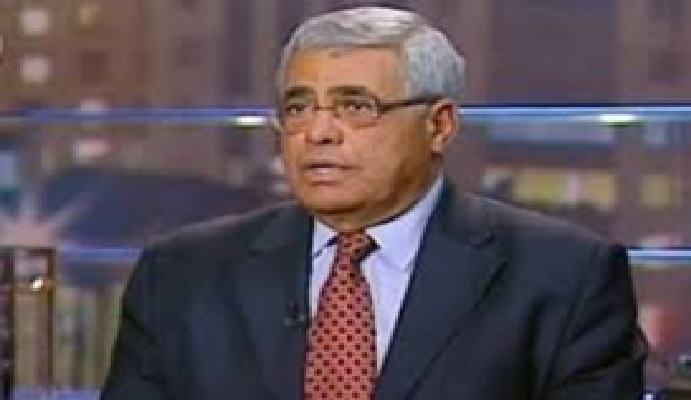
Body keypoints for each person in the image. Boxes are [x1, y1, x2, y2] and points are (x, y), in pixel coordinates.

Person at [101, 6, 647, 400]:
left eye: (355, 106)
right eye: (298, 107)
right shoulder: (180, 275)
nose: (317, 132)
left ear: (439, 125)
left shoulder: (564, 278)